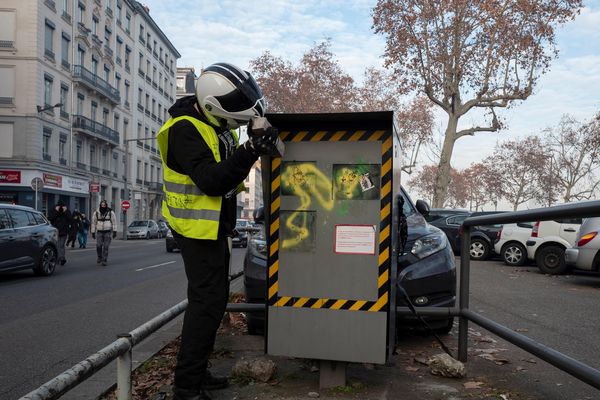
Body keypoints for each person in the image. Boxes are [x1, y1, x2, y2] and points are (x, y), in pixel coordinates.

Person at [157, 62, 276, 400]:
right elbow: (210, 180)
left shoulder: (213, 124)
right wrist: (250, 150)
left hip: (212, 227)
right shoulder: (184, 129)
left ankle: (197, 371)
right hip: (194, 228)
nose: (235, 124)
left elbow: (227, 171)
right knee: (205, 303)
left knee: (214, 300)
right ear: (213, 106)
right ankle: (187, 386)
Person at [90, 200, 117, 266]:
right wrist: (93, 232)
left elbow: (114, 222)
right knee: (98, 245)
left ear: (106, 205)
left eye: (104, 205)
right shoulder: (96, 212)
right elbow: (93, 222)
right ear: (100, 205)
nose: (103, 206)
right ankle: (99, 257)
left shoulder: (111, 212)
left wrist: (114, 231)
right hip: (99, 231)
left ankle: (104, 260)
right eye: (102, 205)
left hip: (107, 231)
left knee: (106, 246)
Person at [48, 200, 73, 265]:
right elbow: (50, 218)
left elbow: (70, 219)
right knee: (57, 245)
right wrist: (56, 211)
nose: (61, 207)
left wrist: (65, 212)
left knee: (61, 245)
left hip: (64, 231)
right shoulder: (53, 209)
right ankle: (58, 258)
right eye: (59, 206)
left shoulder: (66, 210)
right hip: (55, 230)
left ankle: (62, 258)